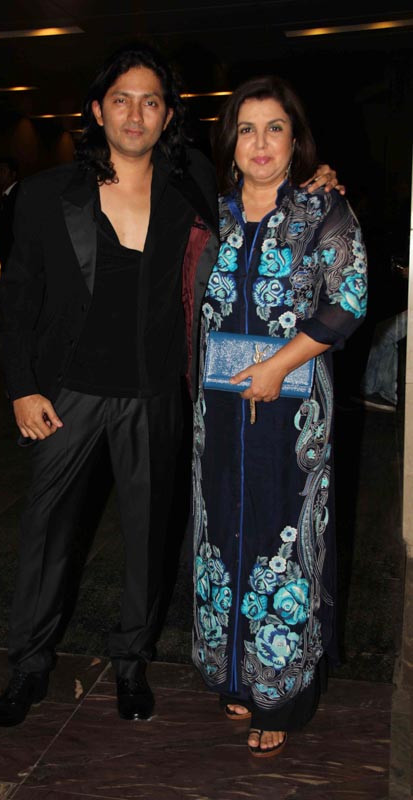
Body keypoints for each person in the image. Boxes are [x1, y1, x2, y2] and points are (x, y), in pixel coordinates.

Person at [0, 45, 340, 729]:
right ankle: (27, 668)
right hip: (66, 397)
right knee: (47, 537)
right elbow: (18, 304)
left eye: (150, 101)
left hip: (156, 393)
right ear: (97, 110)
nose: (135, 114)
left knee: (150, 541)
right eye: (121, 99)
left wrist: (316, 179)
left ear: (168, 115)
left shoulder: (193, 183)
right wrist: (21, 387)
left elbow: (265, 185)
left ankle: (130, 664)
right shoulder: (43, 195)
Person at [191, 76, 367, 757]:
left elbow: (348, 300)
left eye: (274, 128)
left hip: (292, 416)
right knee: (221, 532)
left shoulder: (321, 211)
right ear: (229, 143)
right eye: (246, 129)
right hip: (218, 412)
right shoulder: (210, 215)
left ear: (295, 140)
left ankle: (283, 694)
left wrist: (277, 366)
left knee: (283, 540)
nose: (260, 143)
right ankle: (233, 671)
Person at [0, 157, 20, 273]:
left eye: (3, 171)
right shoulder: (4, 197)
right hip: (7, 260)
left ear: (13, 174)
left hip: (15, 260)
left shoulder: (18, 196)